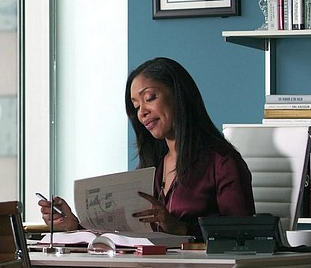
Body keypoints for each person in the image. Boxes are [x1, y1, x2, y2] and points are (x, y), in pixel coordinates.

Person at [39, 57, 254, 236]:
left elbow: (243, 235)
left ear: (179, 95)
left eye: (149, 98)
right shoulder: (151, 165)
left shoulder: (222, 162)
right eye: (136, 106)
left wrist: (180, 228)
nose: (142, 113)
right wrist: (75, 226)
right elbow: (126, 233)